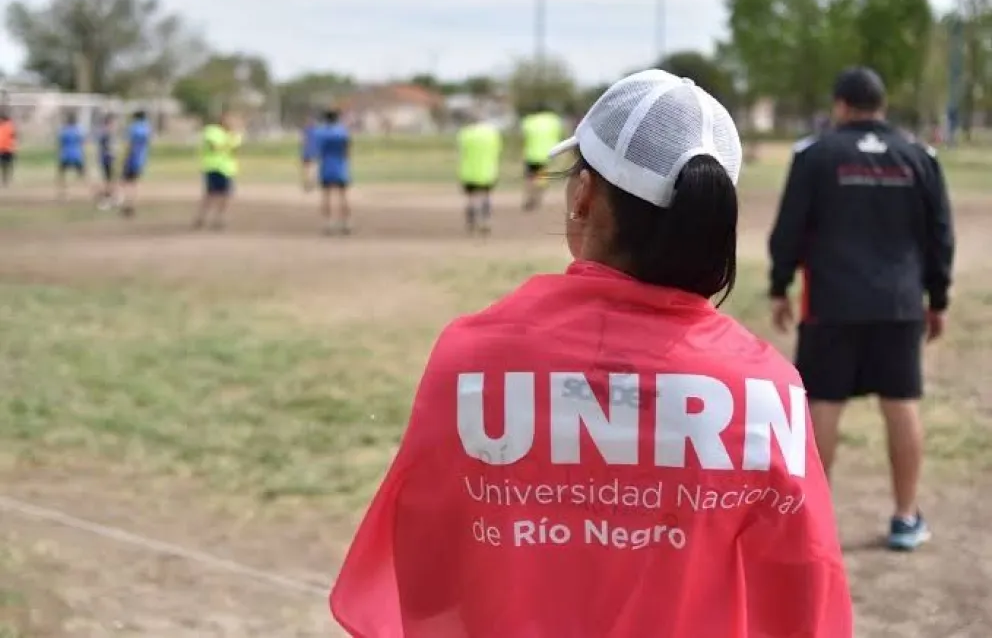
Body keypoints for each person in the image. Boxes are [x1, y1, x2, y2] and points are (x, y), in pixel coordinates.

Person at [331, 69, 852, 638]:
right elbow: (808, 597)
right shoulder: (767, 392)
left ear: (583, 196)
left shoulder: (474, 361)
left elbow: (426, 567)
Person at [768, 67, 955, 552]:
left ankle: (815, 523)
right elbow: (939, 234)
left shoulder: (814, 155)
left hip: (830, 301)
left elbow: (790, 226)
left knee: (824, 404)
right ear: (882, 105)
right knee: (901, 404)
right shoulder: (919, 155)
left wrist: (778, 285)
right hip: (899, 303)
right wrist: (938, 299)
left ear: (840, 106)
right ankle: (905, 516)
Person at [194, 111, 242, 231]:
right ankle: (201, 218)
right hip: (213, 167)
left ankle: (220, 219)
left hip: (227, 168)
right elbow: (215, 147)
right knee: (210, 194)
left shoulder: (233, 134)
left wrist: (231, 138)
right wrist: (229, 142)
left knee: (225, 195)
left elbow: (235, 150)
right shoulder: (212, 131)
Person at [456, 113, 503, 235]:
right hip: (487, 171)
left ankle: (471, 220)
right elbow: (497, 150)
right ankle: (486, 220)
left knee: (471, 198)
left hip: (469, 171)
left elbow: (462, 151)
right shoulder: (492, 135)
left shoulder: (465, 134)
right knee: (486, 195)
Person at [314, 109, 352, 236]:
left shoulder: (320, 133)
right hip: (341, 167)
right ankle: (345, 223)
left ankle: (328, 224)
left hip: (326, 166)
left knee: (326, 195)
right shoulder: (343, 132)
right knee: (343, 196)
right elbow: (347, 150)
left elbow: (317, 151)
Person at [520, 104, 564, 211]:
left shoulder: (529, 121)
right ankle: (538, 199)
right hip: (546, 155)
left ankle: (530, 198)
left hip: (531, 154)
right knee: (542, 179)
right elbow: (558, 135)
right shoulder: (553, 120)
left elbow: (524, 137)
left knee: (530, 178)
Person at [118, 110, 152, 218]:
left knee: (124, 182)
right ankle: (132, 204)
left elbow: (129, 143)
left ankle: (125, 204)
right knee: (134, 183)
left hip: (131, 158)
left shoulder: (133, 128)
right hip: (141, 159)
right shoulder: (147, 128)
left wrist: (124, 157)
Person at [57, 112, 87, 199]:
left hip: (65, 154)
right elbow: (82, 142)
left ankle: (63, 192)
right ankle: (87, 191)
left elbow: (60, 143)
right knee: (83, 173)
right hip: (77, 154)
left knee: (62, 174)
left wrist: (59, 153)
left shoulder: (64, 131)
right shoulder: (78, 130)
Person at [94, 113, 118, 209]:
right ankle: (107, 198)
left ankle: (110, 196)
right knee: (108, 179)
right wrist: (112, 154)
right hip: (106, 159)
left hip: (107, 159)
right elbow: (107, 148)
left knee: (110, 178)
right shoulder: (106, 133)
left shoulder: (107, 133)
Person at [300, 115, 319, 192]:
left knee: (306, 169)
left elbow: (302, 141)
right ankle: (311, 183)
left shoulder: (305, 130)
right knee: (313, 168)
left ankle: (307, 183)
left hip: (306, 152)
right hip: (314, 153)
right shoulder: (317, 131)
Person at [0, 110, 16, 189]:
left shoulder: (9, 126)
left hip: (8, 149)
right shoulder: (2, 126)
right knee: (4, 166)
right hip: (3, 149)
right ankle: (5, 180)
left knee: (8, 165)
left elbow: (13, 136)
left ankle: (8, 180)